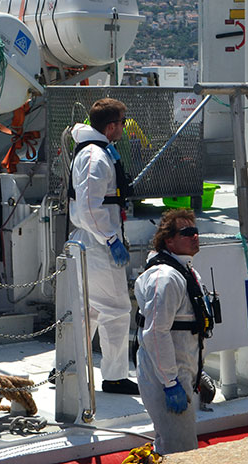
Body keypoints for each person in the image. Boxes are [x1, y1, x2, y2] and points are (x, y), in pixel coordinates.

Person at [68, 98, 138, 395]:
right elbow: (88, 207)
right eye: (122, 122)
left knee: (91, 310)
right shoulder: (96, 157)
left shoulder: (95, 152)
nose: (124, 127)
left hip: (91, 241)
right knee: (117, 309)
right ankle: (114, 376)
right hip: (98, 244)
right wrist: (111, 240)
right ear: (111, 126)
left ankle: (70, 365)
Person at [134, 209, 212, 455]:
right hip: (167, 377)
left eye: (196, 232)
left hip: (181, 373)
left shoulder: (187, 272)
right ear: (168, 240)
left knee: (179, 445)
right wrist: (170, 383)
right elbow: (156, 333)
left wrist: (197, 371)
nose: (195, 237)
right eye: (187, 233)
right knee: (179, 448)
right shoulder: (165, 278)